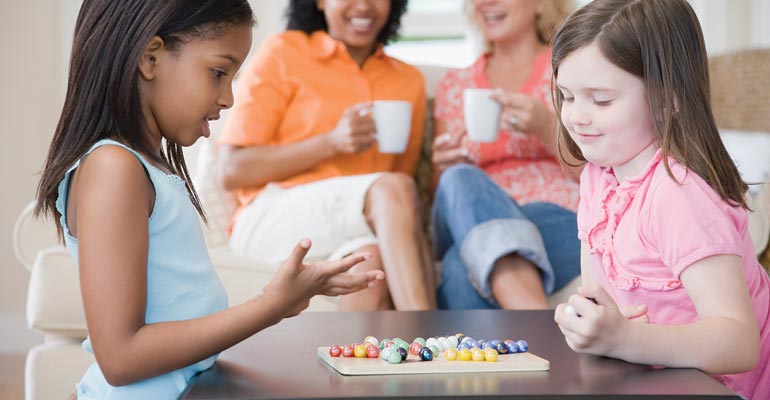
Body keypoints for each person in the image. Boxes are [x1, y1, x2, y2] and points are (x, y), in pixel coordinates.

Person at [34, 1, 385, 398]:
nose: (229, 98)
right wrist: (268, 306)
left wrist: (281, 301)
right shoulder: (114, 169)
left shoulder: (145, 169)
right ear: (150, 58)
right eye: (218, 73)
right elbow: (120, 358)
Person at [550, 0, 770, 399]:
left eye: (600, 100)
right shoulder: (598, 178)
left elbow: (740, 343)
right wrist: (591, 325)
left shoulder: (679, 194)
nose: (577, 116)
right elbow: (600, 301)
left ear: (667, 99)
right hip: (654, 382)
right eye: (567, 96)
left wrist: (625, 338)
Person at [219, 0, 436, 311]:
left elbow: (404, 199)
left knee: (370, 271)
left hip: (355, 230)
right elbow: (232, 170)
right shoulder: (284, 52)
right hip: (272, 220)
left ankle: (348, 360)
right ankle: (431, 340)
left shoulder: (407, 81)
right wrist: (331, 143)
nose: (363, 6)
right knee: (392, 187)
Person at [432, 0, 579, 310]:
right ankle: (538, 324)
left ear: (542, 4)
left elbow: (600, 172)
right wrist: (447, 166)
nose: (485, 3)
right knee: (459, 177)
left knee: (461, 265)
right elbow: (443, 198)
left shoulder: (569, 69)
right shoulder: (454, 85)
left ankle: (492, 355)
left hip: (558, 218)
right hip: (469, 210)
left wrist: (546, 127)